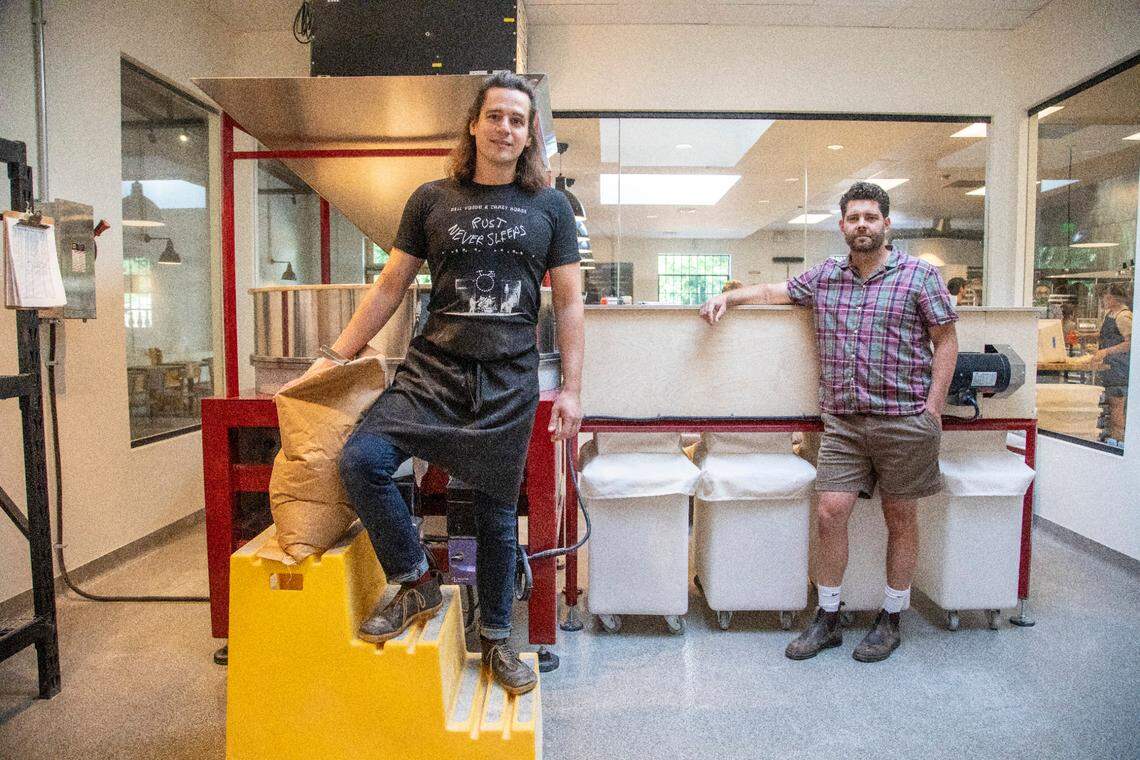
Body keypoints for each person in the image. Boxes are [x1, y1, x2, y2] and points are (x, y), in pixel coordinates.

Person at [282, 73, 584, 694]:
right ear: (473, 124)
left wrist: (574, 390)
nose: (505, 129)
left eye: (518, 120)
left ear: (529, 136)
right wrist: (335, 358)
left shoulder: (550, 207)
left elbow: (570, 303)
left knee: (496, 516)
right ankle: (417, 579)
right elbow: (390, 286)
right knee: (363, 461)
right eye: (495, 116)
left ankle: (496, 639)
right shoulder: (431, 199)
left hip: (506, 380)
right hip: (433, 371)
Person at [699, 181, 958, 663]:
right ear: (842, 225)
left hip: (905, 419)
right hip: (844, 422)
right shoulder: (826, 276)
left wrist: (933, 410)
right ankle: (829, 616)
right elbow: (773, 291)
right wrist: (727, 297)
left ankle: (891, 618)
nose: (862, 225)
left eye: (871, 217)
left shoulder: (919, 276)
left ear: (886, 224)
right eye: (854, 218)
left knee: (900, 517)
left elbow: (946, 341)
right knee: (829, 513)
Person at [1093, 282, 1131, 444]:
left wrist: (1106, 351)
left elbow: (1130, 343)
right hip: (1110, 367)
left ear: (1114, 298)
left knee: (1117, 406)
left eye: (1106, 297)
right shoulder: (1110, 314)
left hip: (1119, 368)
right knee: (1112, 404)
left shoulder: (1123, 316)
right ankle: (1113, 438)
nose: (1104, 300)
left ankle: (1118, 439)